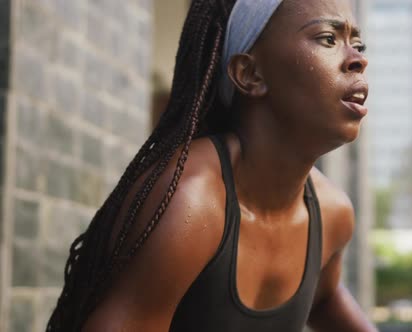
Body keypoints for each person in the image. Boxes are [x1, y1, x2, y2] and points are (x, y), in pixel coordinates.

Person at [47, 0, 376, 331]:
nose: (358, 60)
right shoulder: (190, 203)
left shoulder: (332, 214)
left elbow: (324, 298)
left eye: (357, 44)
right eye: (327, 39)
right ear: (249, 74)